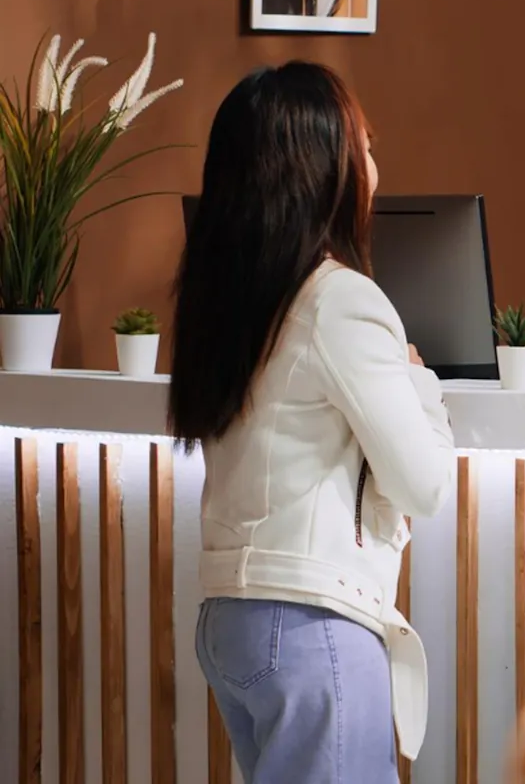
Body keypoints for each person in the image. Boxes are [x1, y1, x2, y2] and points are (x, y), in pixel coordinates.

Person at [169, 63, 455, 783]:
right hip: (312, 622)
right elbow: (422, 485)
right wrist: (420, 379)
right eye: (364, 147)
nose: (374, 168)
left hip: (231, 621)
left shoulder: (229, 301)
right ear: (323, 167)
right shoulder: (341, 300)